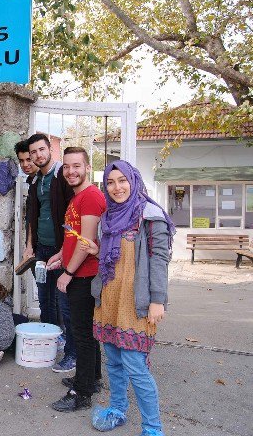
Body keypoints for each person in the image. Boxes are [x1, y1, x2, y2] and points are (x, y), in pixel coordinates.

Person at [84, 161, 173, 436]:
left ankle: (153, 428)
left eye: (122, 180)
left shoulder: (150, 214)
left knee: (136, 367)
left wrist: (158, 300)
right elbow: (116, 258)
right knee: (113, 360)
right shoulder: (109, 216)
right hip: (110, 297)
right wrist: (96, 251)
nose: (116, 187)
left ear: (133, 180)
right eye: (110, 182)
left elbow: (159, 259)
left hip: (136, 301)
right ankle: (118, 409)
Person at [48, 147, 105, 413]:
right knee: (87, 333)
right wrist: (60, 254)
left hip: (84, 275)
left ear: (87, 167)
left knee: (82, 335)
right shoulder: (77, 197)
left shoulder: (91, 197)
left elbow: (87, 242)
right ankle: (91, 379)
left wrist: (68, 274)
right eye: (67, 167)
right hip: (76, 270)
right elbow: (74, 236)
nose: (71, 171)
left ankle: (81, 394)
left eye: (76, 166)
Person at [23, 133, 77, 373]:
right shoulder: (35, 182)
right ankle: (50, 341)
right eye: (33, 152)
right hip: (41, 251)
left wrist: (66, 249)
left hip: (61, 249)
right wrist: (29, 246)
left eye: (41, 150)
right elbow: (32, 219)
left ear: (50, 150)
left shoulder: (61, 177)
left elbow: (73, 216)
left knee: (65, 301)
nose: (37, 155)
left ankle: (72, 353)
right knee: (44, 297)